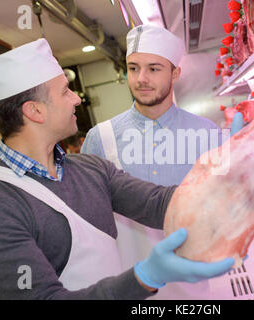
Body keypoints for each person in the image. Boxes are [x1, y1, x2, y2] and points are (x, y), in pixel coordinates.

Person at [0, 38, 234, 299]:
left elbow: (160, 203)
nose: (77, 99)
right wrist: (145, 277)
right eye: (65, 91)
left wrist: (242, 161)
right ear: (34, 111)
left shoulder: (89, 169)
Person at [81, 24, 241, 299]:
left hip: (193, 287)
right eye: (133, 68)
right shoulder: (100, 138)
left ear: (175, 73)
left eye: (154, 68)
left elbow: (228, 207)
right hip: (127, 287)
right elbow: (87, 220)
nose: (141, 78)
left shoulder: (208, 135)